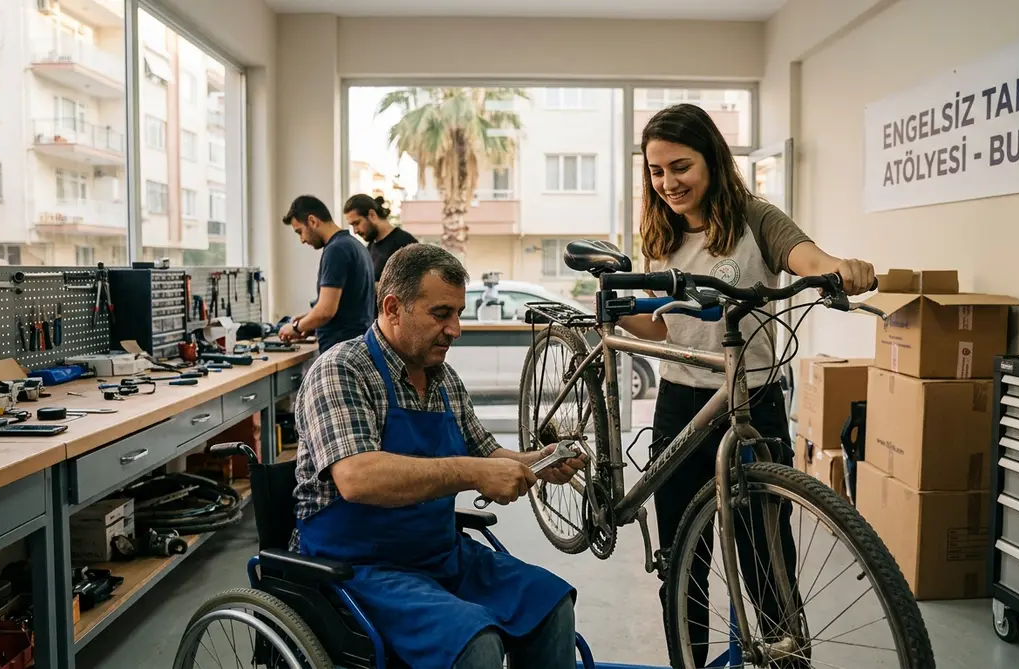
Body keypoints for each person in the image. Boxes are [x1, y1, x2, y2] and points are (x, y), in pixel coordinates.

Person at [619, 103, 877, 664]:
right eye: (656, 172)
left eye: (680, 167)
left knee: (767, 558)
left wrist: (838, 267)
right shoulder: (659, 234)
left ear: (713, 159)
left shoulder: (755, 219)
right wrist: (615, 312)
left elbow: (805, 254)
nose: (668, 183)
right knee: (684, 560)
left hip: (751, 400)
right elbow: (662, 326)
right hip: (680, 402)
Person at [290, 243, 586, 669]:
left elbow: (489, 454)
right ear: (393, 308)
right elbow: (358, 478)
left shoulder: (444, 379)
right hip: (356, 568)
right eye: (441, 314)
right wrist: (473, 472)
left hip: (437, 556)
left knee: (549, 604)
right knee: (473, 643)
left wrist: (538, 461)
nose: (456, 329)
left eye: (458, 313)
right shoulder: (342, 370)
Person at [278, 195, 375, 354]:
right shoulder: (355, 246)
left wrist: (296, 327)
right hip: (358, 346)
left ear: (313, 221)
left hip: (341, 352)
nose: (302, 240)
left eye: (300, 232)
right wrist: (308, 320)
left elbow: (325, 311)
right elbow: (345, 305)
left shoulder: (336, 250)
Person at [344, 193, 418, 288]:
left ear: (372, 215)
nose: (355, 231)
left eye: (357, 223)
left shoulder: (405, 243)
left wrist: (369, 286)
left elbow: (412, 287)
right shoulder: (370, 247)